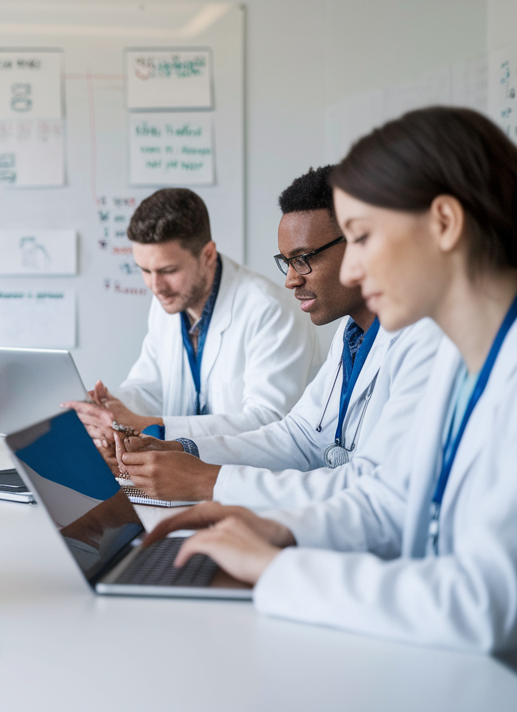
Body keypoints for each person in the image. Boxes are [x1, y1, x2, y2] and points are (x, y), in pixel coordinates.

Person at [145, 107, 517, 704]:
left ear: (444, 222)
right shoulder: (463, 353)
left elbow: (482, 604)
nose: (356, 266)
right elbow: (394, 504)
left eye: (363, 237)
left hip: (510, 688)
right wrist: (277, 529)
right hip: (435, 665)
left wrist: (277, 568)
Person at [71, 167, 441, 506]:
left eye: (303, 259)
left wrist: (208, 480)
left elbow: (374, 483)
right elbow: (297, 436)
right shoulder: (352, 332)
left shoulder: (425, 341)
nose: (291, 279)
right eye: (287, 262)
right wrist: (179, 448)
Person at [79, 188, 320, 442]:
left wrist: (150, 424)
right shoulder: (168, 302)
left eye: (168, 270)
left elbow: (268, 423)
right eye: (145, 270)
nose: (156, 286)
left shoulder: (270, 309)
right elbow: (150, 391)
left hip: (252, 476)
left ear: (207, 255)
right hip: (181, 471)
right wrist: (111, 406)